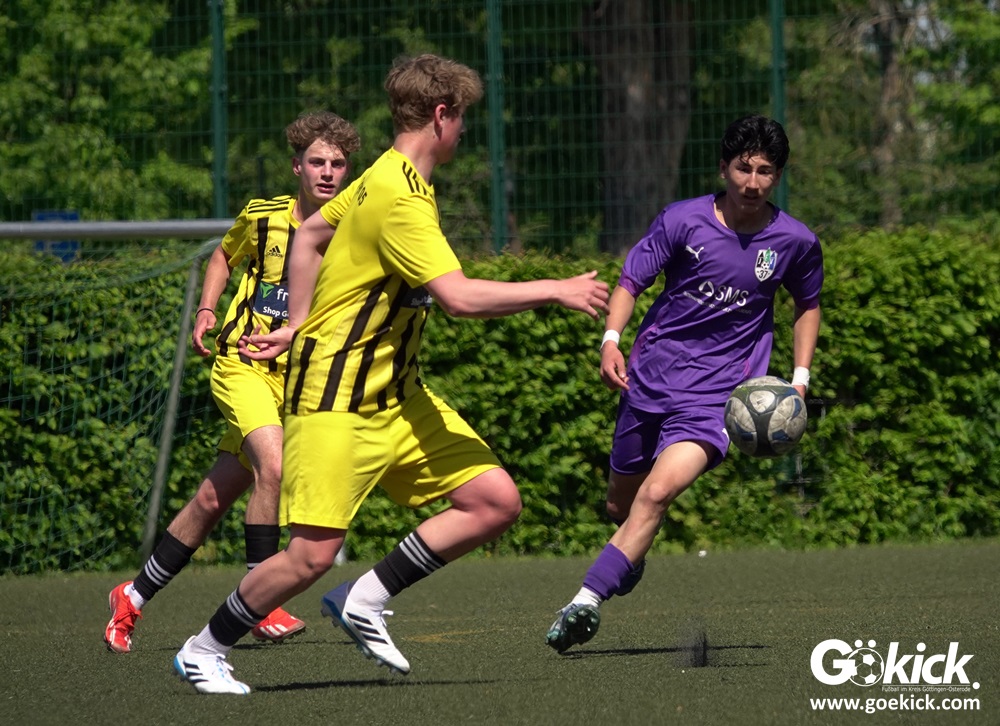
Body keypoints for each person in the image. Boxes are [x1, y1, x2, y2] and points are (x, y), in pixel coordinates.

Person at [171, 53, 610, 695]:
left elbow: (309, 236)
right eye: (463, 118)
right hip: (336, 396)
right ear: (442, 116)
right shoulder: (400, 197)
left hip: (398, 397)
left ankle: (365, 599)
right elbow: (458, 297)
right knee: (309, 557)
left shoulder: (382, 174)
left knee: (494, 501)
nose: (464, 131)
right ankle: (203, 649)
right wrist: (556, 288)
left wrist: (296, 321)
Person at [544, 115, 824, 653]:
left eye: (766, 171)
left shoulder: (794, 241)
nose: (752, 182)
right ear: (723, 168)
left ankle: (584, 601)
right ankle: (627, 554)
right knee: (621, 505)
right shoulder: (682, 220)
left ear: (778, 176)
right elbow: (631, 281)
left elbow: (807, 305)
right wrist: (610, 341)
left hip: (717, 398)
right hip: (649, 381)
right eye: (743, 168)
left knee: (658, 492)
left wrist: (800, 380)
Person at [103, 112, 361, 654]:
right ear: (296, 166)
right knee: (276, 466)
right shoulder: (263, 217)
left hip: (296, 381)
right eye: (317, 161)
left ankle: (132, 594)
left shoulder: (353, 229)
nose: (327, 171)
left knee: (212, 498)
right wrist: (206, 308)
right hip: (243, 363)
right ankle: (259, 598)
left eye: (338, 163)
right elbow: (223, 254)